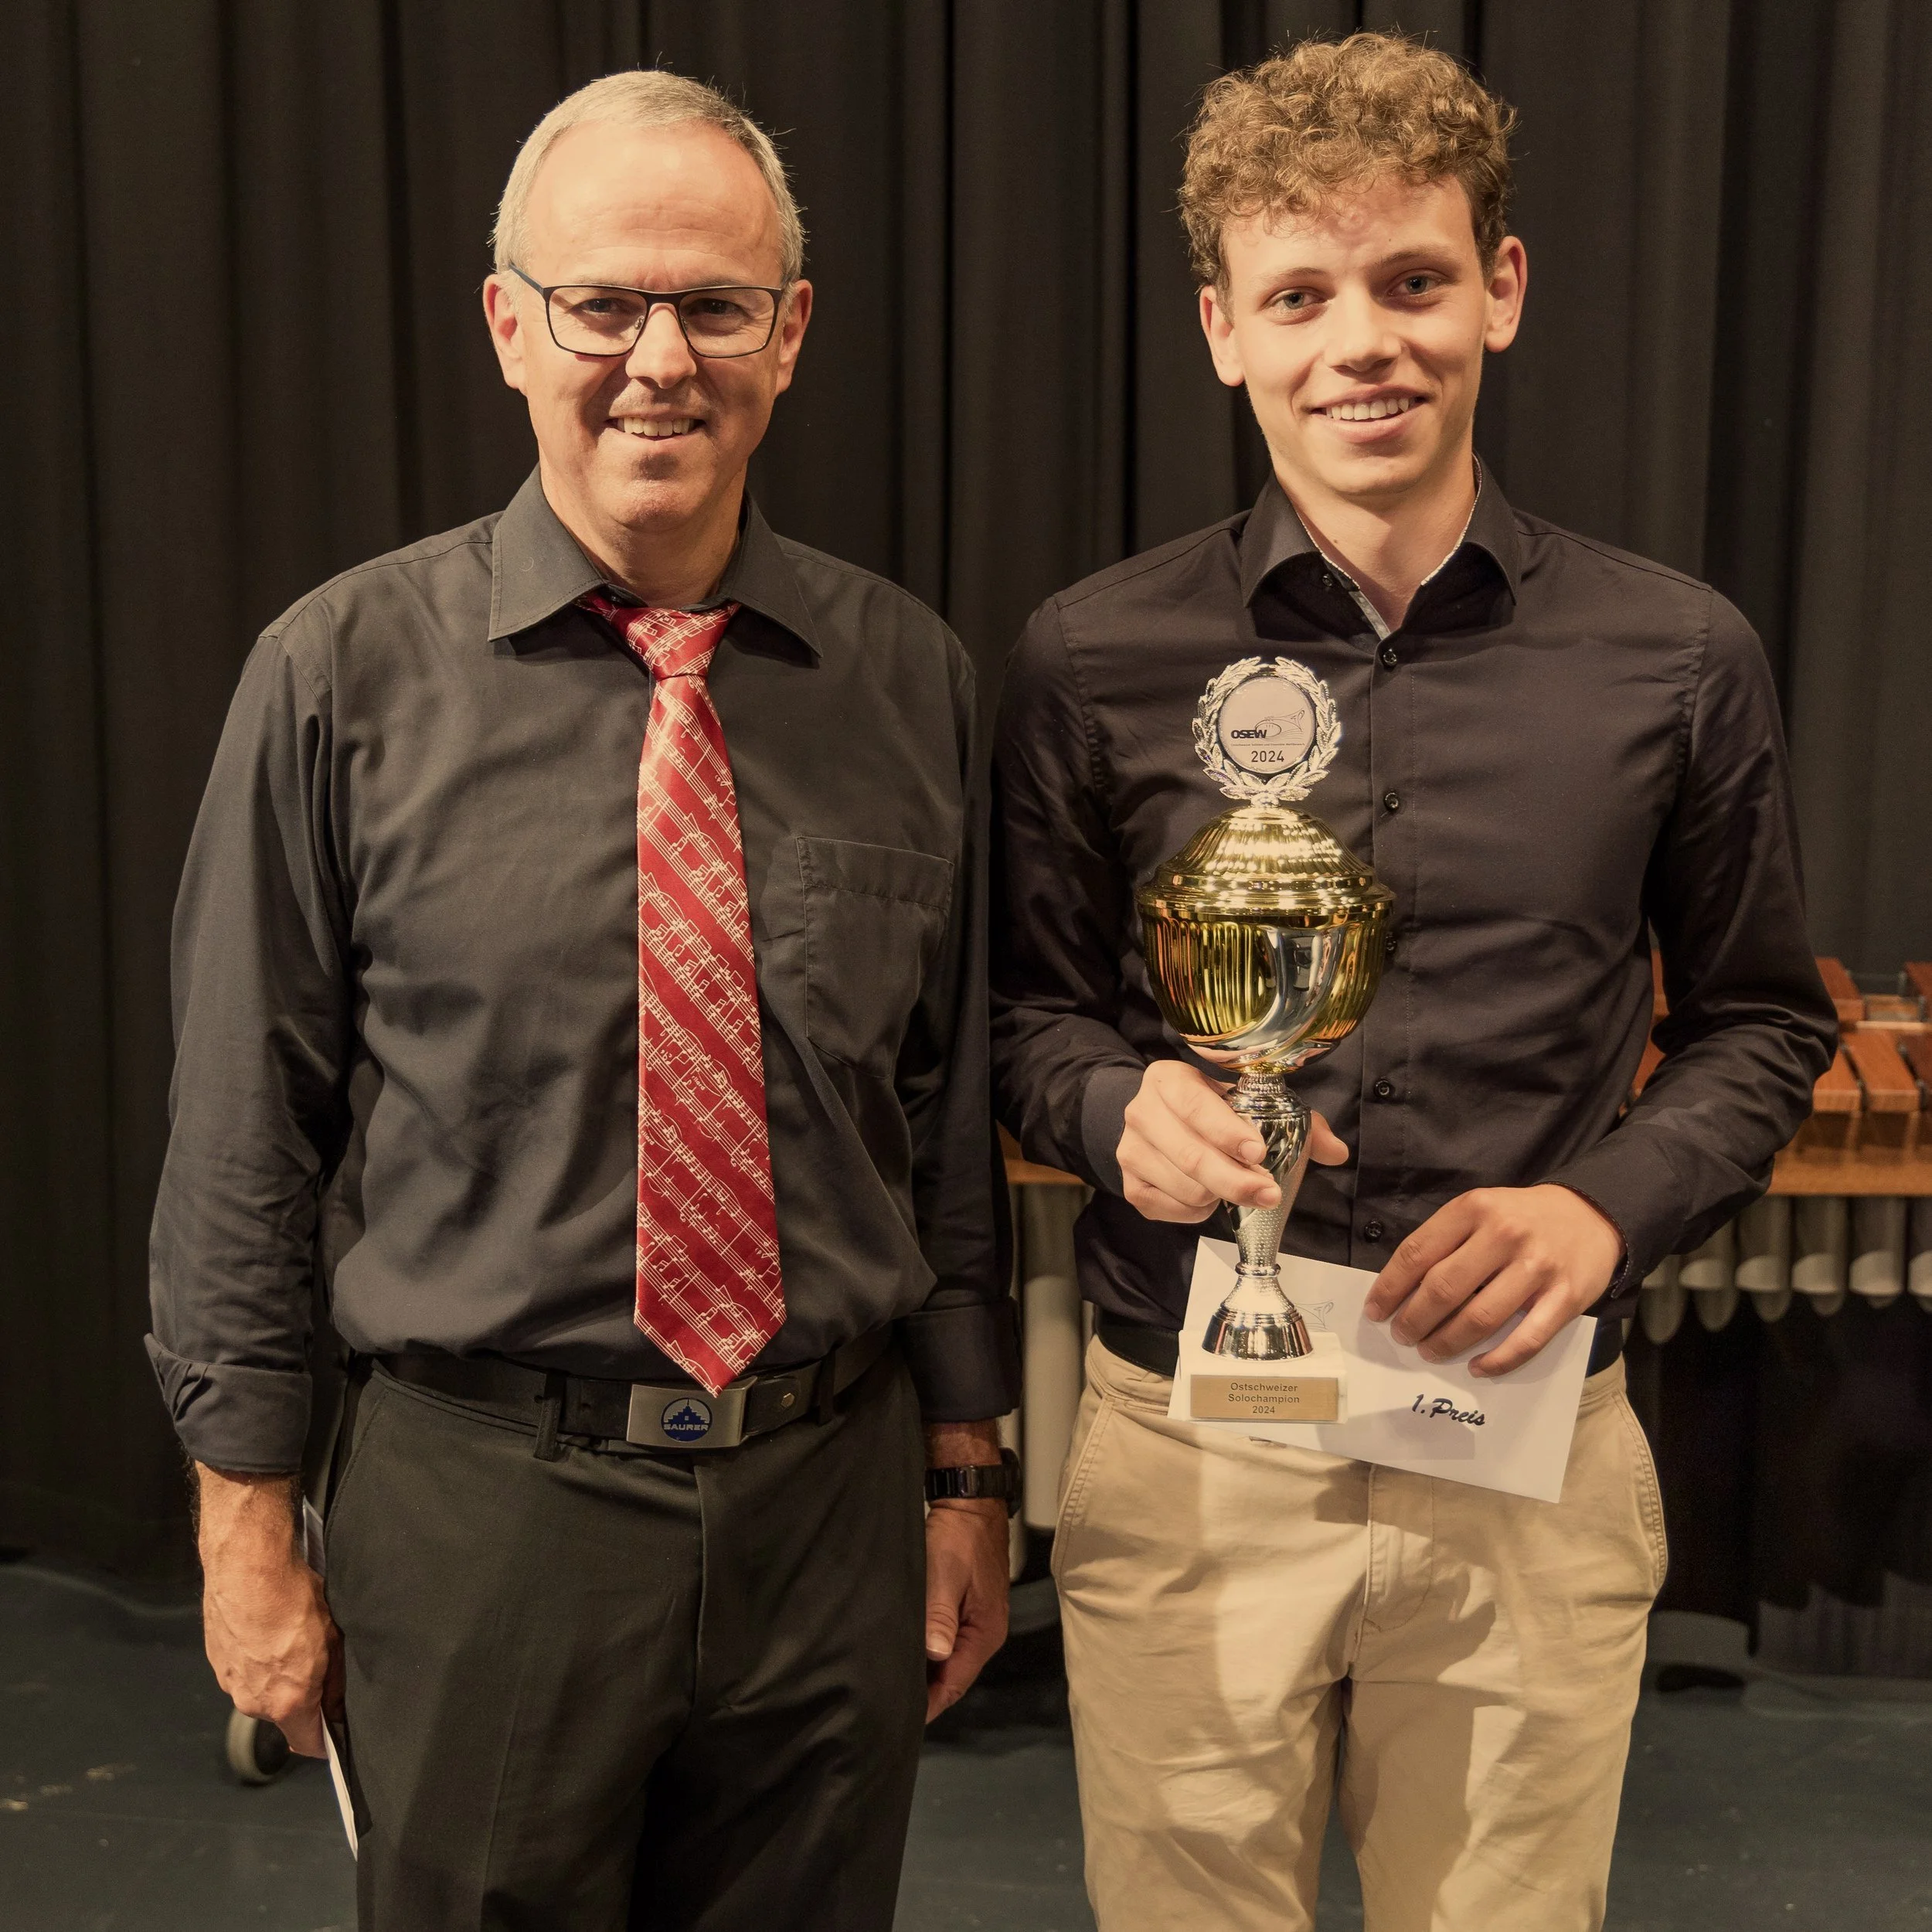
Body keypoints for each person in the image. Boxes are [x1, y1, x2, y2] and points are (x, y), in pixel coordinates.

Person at [148, 70, 1019, 1932]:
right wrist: (243, 1518)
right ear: (507, 325)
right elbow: (241, 1128)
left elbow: (937, 1132)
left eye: (711, 305)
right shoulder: (338, 675)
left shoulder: (909, 682)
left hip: (823, 1499)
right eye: (602, 304)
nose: (656, 359)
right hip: (483, 1513)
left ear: (788, 335)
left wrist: (963, 1472)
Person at [991, 32, 1834, 1932]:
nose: (1357, 341)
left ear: (1499, 293)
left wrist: (1600, 1209)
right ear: (1221, 330)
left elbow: (1767, 1019)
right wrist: (1108, 1104)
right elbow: (1020, 1015)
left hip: (1515, 1447)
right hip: (1196, 1446)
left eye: (1411, 281)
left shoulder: (1675, 655)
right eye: (1297, 294)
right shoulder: (1089, 656)